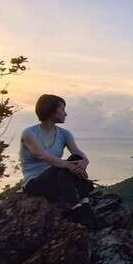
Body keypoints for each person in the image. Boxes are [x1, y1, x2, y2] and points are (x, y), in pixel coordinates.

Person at [19, 94, 99, 228]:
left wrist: (83, 163)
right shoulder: (29, 133)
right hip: (35, 183)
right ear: (51, 111)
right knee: (62, 167)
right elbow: (42, 156)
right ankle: (77, 207)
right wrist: (69, 166)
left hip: (59, 180)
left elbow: (79, 154)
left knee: (75, 160)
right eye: (62, 109)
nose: (65, 114)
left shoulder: (64, 134)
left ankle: (83, 203)